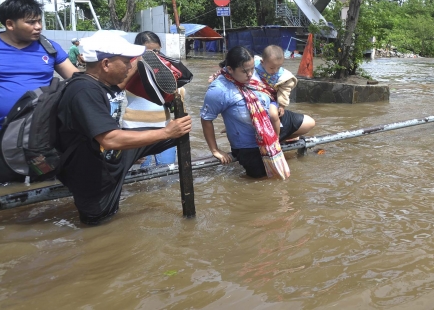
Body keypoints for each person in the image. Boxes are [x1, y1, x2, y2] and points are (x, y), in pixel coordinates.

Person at [56, 30, 192, 225]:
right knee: (99, 226)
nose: (130, 66)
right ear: (106, 64)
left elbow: (119, 85)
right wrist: (165, 132)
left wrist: (146, 57)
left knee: (178, 135)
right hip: (93, 172)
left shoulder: (101, 84)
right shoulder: (83, 91)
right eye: (127, 61)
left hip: (111, 157)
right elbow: (109, 139)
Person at [0, 0, 79, 186]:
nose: (38, 27)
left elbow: (76, 80)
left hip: (43, 133)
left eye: (40, 21)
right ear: (10, 24)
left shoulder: (49, 47)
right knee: (2, 190)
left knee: (46, 186)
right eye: (31, 22)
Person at [201, 46, 315, 179]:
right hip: (248, 144)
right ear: (230, 69)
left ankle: (279, 139)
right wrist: (215, 150)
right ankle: (274, 143)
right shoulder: (218, 90)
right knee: (265, 180)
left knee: (309, 123)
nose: (250, 74)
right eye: (245, 71)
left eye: (251, 69)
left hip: (268, 123)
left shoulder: (255, 69)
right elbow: (206, 119)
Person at [122, 31, 177, 167]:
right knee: (138, 178)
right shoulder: (127, 68)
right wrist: (139, 60)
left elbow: (178, 98)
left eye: (156, 51)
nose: (153, 55)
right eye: (148, 52)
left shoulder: (166, 70)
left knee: (168, 174)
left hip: (164, 128)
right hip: (135, 130)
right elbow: (114, 88)